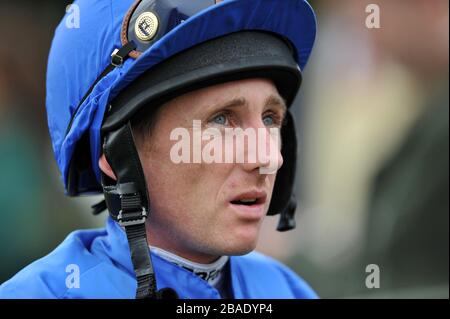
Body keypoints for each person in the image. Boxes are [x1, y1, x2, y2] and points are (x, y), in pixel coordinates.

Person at [0, 0, 318, 299]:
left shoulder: (289, 290)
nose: (268, 158)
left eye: (270, 118)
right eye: (221, 119)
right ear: (116, 155)